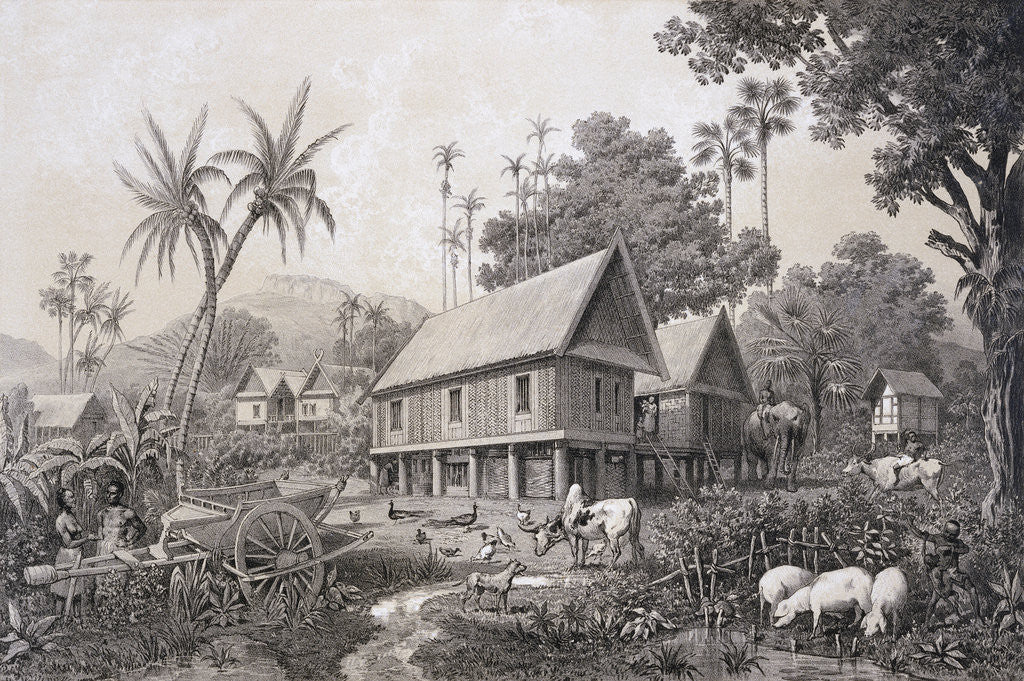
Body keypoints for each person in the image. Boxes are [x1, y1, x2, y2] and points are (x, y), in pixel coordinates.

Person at [907, 519, 979, 625]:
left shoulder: (958, 542)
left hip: (954, 573)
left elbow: (966, 549)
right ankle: (926, 625)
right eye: (947, 532)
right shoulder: (937, 538)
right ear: (944, 529)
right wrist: (911, 525)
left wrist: (954, 549)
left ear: (957, 534)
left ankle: (978, 619)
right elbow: (921, 535)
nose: (948, 536)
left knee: (972, 589)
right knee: (933, 600)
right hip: (941, 575)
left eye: (952, 535)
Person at [50, 487, 96, 618]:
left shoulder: (71, 516)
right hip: (66, 556)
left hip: (77, 555)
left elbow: (77, 534)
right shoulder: (60, 520)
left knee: (77, 592)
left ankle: (77, 620)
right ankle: (57, 620)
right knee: (62, 592)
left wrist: (88, 537)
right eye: (70, 497)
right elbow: (69, 544)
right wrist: (87, 539)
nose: (74, 499)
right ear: (63, 501)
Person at [97, 480, 147, 555]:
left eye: (112, 493)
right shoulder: (101, 513)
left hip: (119, 549)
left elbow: (142, 529)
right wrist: (97, 555)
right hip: (104, 550)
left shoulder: (127, 512)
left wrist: (129, 542)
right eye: (107, 492)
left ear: (120, 495)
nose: (108, 496)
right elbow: (100, 538)